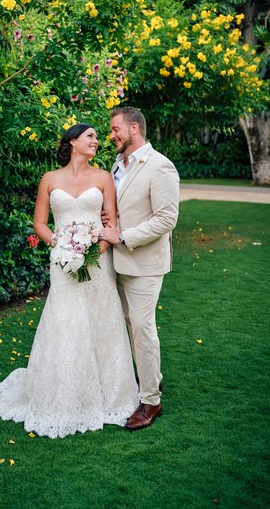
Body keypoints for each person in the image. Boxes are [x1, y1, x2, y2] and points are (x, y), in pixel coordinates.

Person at [0, 123, 139, 438]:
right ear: (72, 141)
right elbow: (40, 223)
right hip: (62, 261)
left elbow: (111, 222)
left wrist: (93, 253)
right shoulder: (49, 179)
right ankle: (62, 394)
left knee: (101, 320)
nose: (97, 141)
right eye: (90, 136)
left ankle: (110, 395)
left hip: (98, 263)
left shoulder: (103, 178)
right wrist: (61, 247)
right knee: (65, 321)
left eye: (97, 137)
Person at [100, 106, 179, 430]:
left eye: (116, 129)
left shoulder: (160, 166)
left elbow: (166, 218)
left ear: (134, 128)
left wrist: (123, 236)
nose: (111, 135)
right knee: (129, 326)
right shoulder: (117, 165)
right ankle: (153, 378)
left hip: (145, 263)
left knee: (143, 330)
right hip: (116, 261)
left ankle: (150, 402)